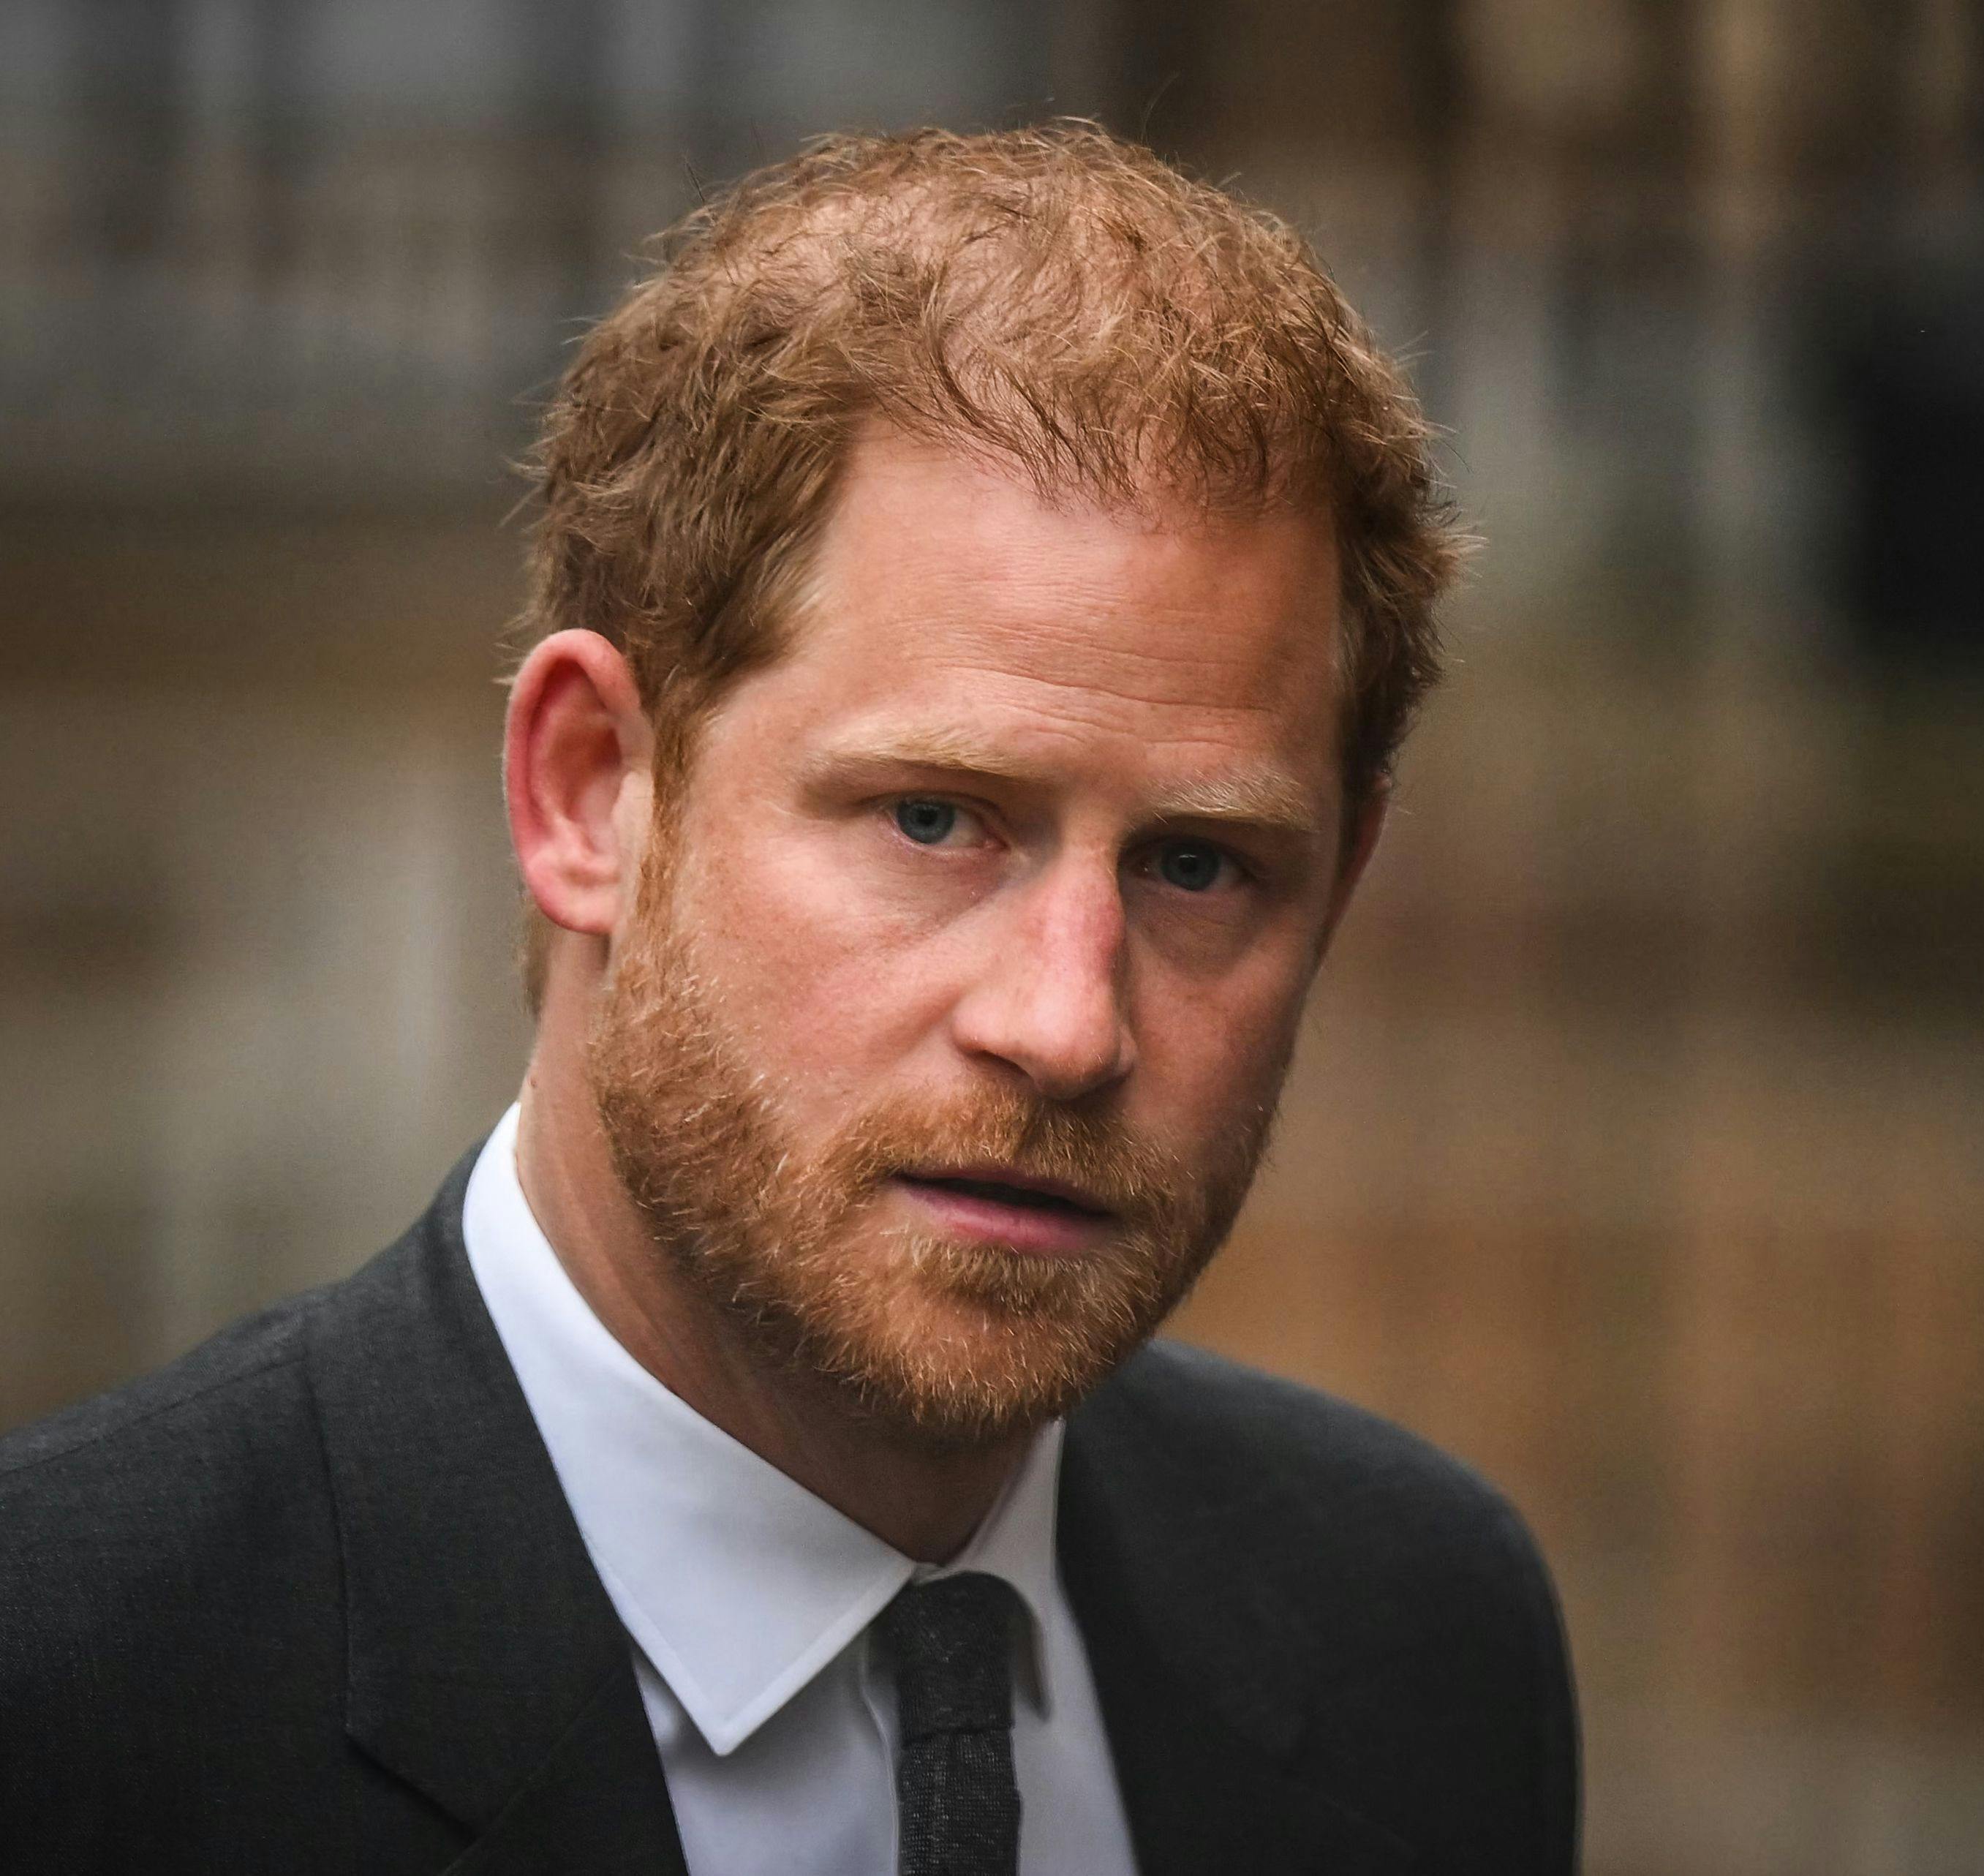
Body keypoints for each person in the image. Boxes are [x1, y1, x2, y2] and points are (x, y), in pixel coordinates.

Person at [0, 125, 1577, 1875]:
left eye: (1198, 866)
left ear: (1340, 884)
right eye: (932, 818)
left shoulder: (1420, 1645)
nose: (1066, 1025)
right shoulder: (73, 1698)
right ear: (589, 790)